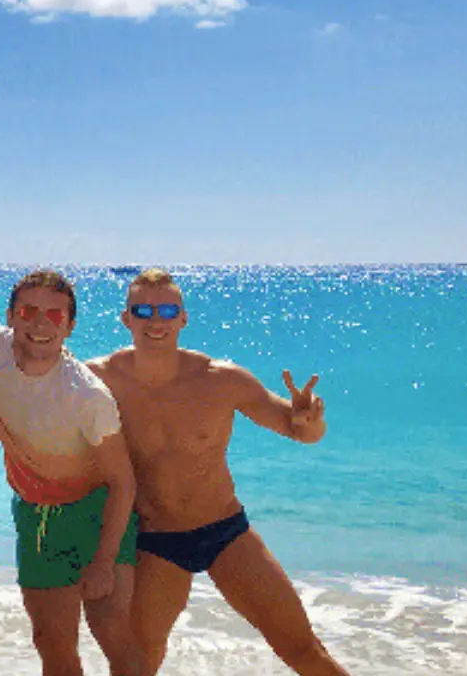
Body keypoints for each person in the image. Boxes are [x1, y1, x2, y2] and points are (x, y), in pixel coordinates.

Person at [88, 268, 349, 676]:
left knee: (303, 650)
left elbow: (302, 432)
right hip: (154, 540)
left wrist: (309, 419)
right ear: (126, 319)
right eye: (143, 309)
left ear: (183, 318)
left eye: (168, 309)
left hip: (224, 531)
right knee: (135, 666)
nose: (156, 320)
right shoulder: (97, 380)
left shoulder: (222, 379)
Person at [0, 269, 140, 676]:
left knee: (112, 632)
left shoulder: (88, 397)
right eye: (29, 311)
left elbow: (122, 482)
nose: (40, 324)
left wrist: (104, 559)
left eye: (55, 316)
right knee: (51, 641)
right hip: (34, 513)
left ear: (71, 326)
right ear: (10, 316)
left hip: (96, 512)